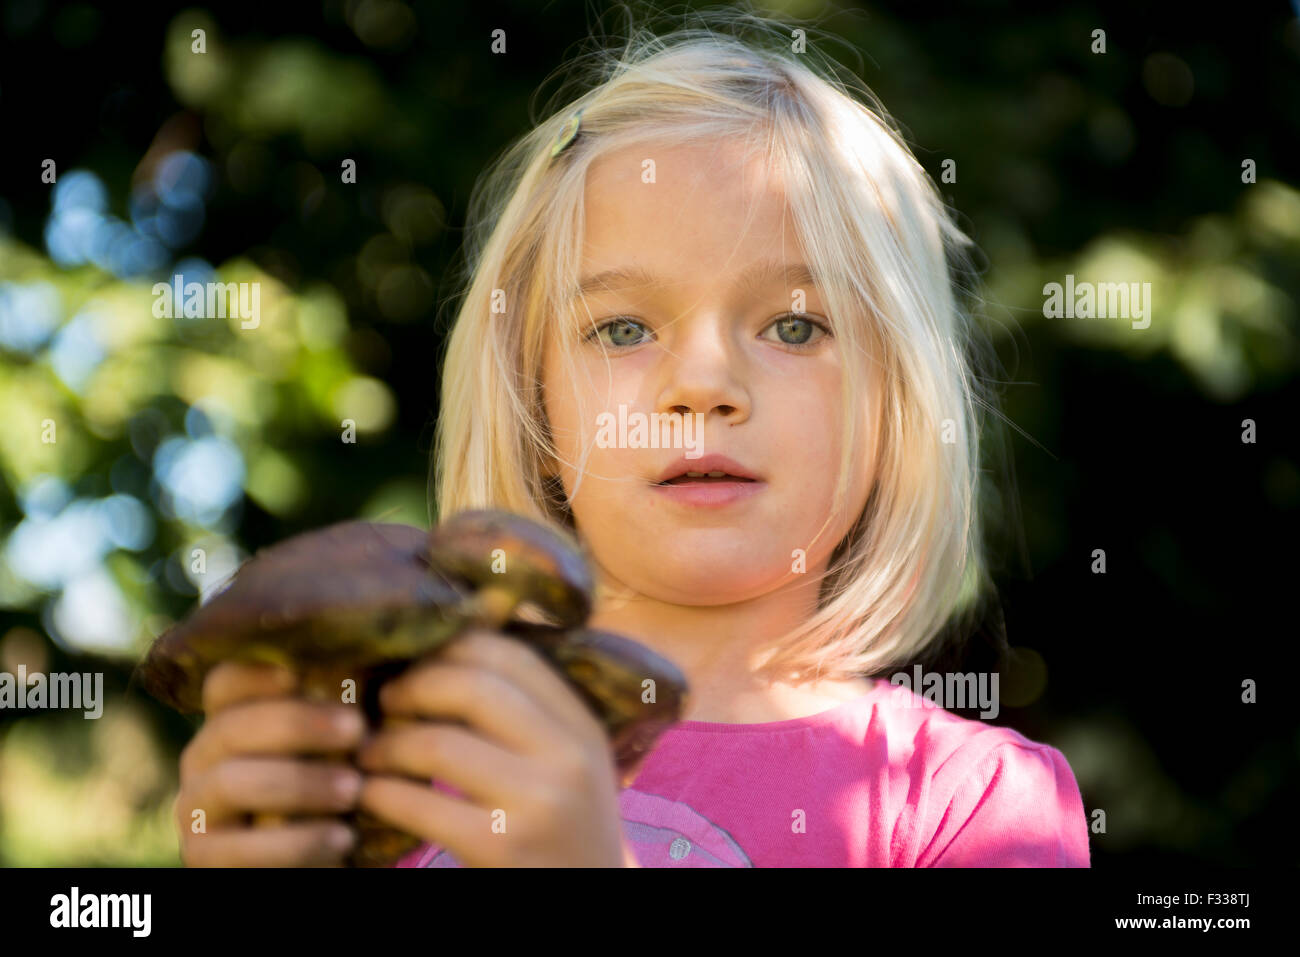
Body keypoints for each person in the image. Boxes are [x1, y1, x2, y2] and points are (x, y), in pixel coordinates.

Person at [174, 13, 1090, 867]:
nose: (702, 386)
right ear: (533, 401)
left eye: (796, 325)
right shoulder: (389, 758)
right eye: (621, 329)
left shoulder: (967, 805)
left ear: (899, 400)